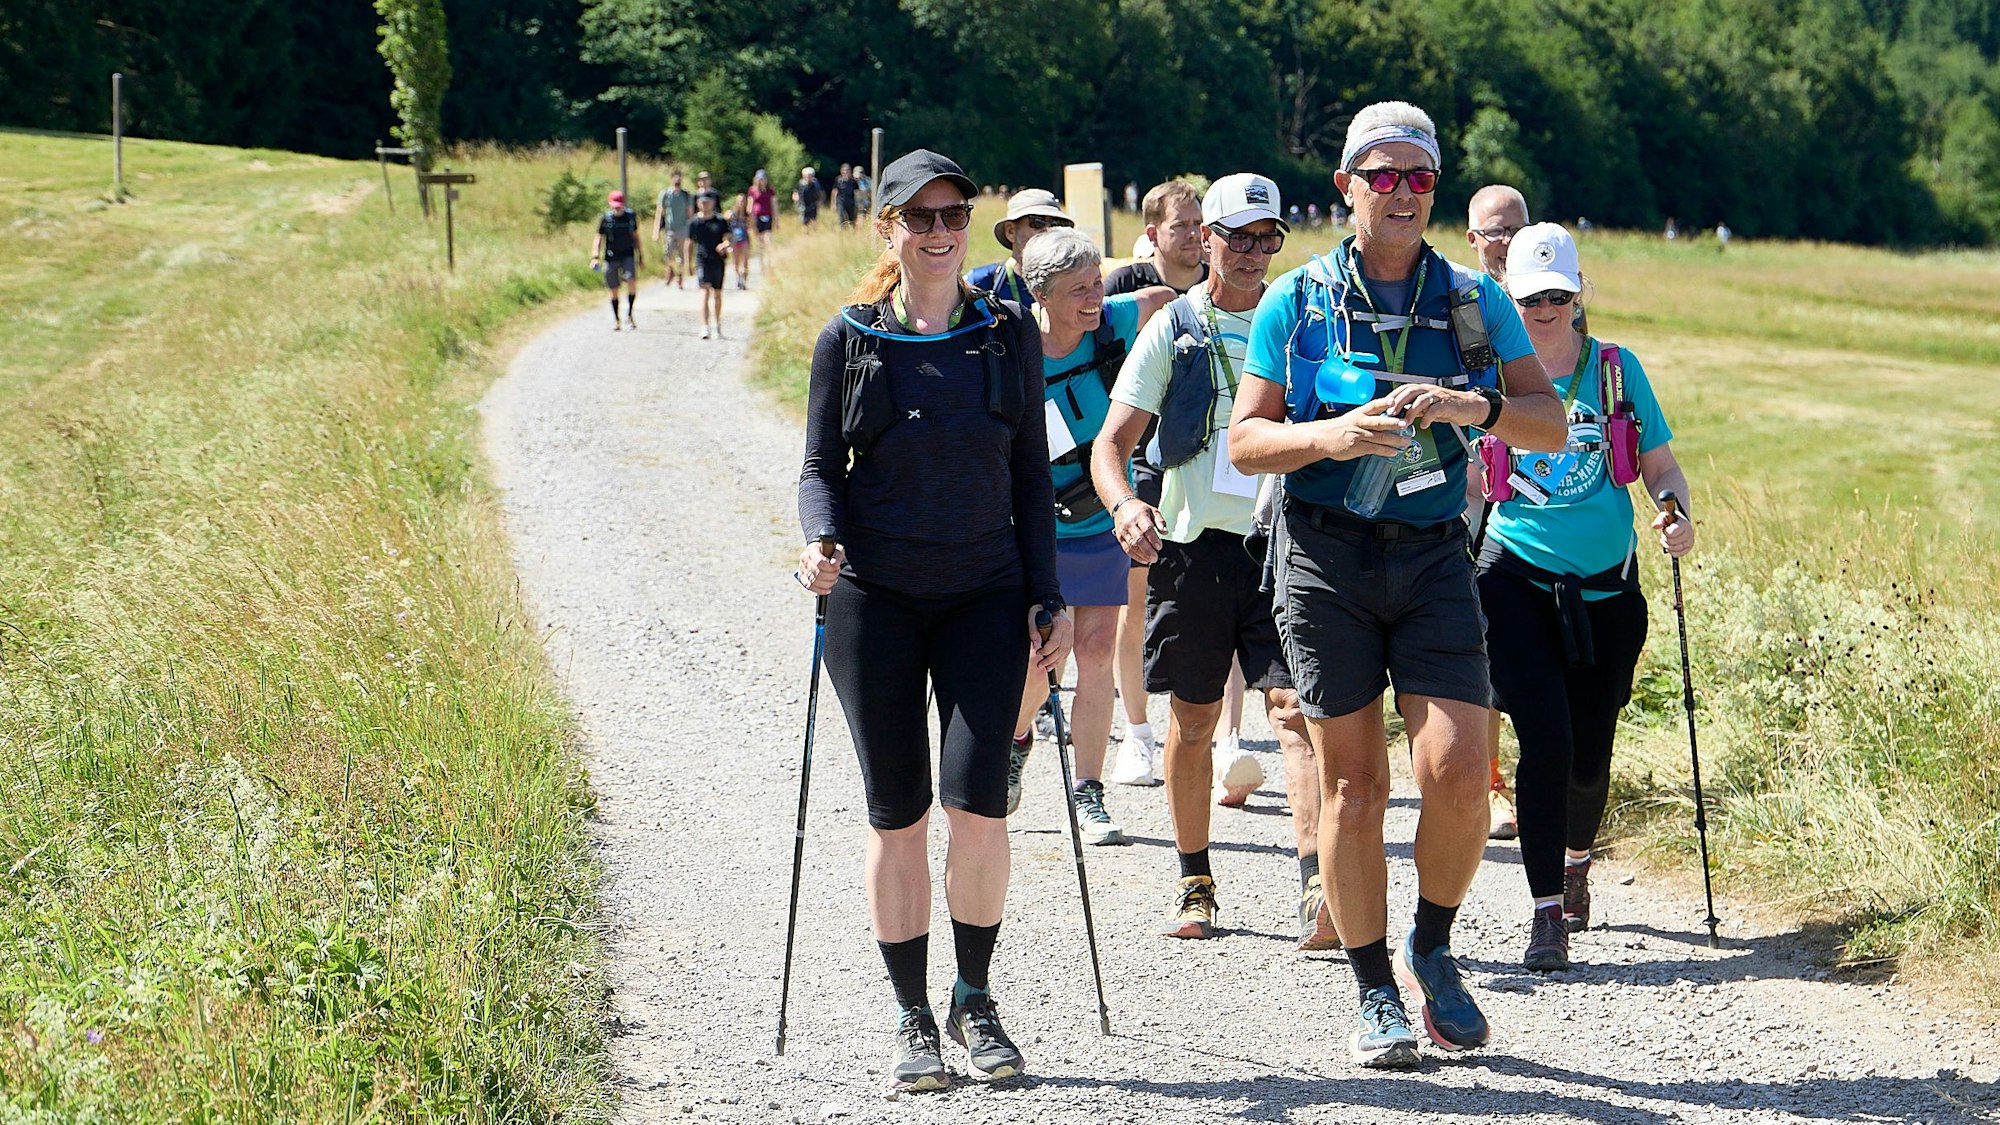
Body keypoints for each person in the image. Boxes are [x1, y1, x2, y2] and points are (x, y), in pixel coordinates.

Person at [1229, 101, 1566, 1068]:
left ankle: (1434, 944)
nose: (1406, 192)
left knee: (1459, 770)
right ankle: (1374, 983)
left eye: (1421, 177)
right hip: (1324, 554)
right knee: (1354, 784)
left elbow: (1548, 419)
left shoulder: (1472, 299)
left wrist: (1474, 404)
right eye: (1385, 176)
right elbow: (1248, 440)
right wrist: (1332, 437)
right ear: (1347, 188)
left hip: (1429, 552)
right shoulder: (1297, 300)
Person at [795, 148, 1069, 1090]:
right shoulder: (852, 339)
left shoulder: (1005, 336)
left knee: (979, 806)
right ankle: (911, 1014)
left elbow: (1031, 473)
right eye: (921, 218)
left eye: (954, 215)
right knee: (899, 814)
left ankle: (974, 996)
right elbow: (819, 468)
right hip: (875, 596)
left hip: (987, 594)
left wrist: (1049, 596)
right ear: (890, 230)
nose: (942, 232)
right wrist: (820, 541)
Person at [1092, 174, 1333, 947]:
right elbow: (1112, 444)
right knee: (1194, 722)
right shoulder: (1176, 326)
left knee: (1296, 715)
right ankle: (1195, 878)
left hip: (1284, 547)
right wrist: (1127, 506)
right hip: (1193, 551)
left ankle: (1317, 884)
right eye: (1242, 237)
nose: (1258, 252)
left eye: (1272, 239)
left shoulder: (1300, 322)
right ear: (1206, 239)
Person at [1479, 222, 1694, 971]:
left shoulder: (1614, 371)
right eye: (1530, 297)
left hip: (1608, 588)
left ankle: (1576, 862)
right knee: (1545, 741)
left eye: (1556, 296)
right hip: (1516, 581)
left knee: (1590, 756)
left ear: (1578, 296)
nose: (1543, 309)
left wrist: (1676, 512)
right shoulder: (1494, 377)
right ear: (1510, 298)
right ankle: (1545, 915)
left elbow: (1663, 467)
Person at [1004, 226, 1175, 848]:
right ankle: (1018, 740)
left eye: (1095, 284)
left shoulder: (1113, 320)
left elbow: (1162, 298)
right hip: (1036, 523)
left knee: (1098, 647)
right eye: (1077, 290)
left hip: (1104, 513)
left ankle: (1089, 791)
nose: (1093, 298)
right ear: (1040, 295)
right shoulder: (1011, 341)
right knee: (1038, 654)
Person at [1102, 180, 1209, 785]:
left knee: (1223, 580)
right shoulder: (1124, 289)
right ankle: (1136, 734)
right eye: (1181, 227)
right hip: (1146, 456)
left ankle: (1224, 735)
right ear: (1152, 234)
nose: (1194, 237)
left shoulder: (1225, 287)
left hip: (1209, 463)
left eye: (1200, 226)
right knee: (1135, 594)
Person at [1464, 182, 1533, 841]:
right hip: (1480, 487)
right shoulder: (1466, 302)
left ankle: (1535, 768)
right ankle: (1488, 782)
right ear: (1473, 240)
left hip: (1542, 489)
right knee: (1482, 641)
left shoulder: (1554, 292)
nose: (1507, 241)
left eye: (1516, 227)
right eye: (1494, 231)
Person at [967, 190, 1072, 310]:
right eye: (1037, 222)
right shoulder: (981, 282)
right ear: (1010, 231)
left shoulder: (1076, 284)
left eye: (1056, 224)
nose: (1049, 231)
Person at [1104, 181, 1209, 297]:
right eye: (1180, 225)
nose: (1194, 234)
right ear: (1152, 234)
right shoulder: (1124, 286)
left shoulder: (1223, 284)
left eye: (1197, 223)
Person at [591, 190, 643, 331]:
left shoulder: (630, 217)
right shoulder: (606, 219)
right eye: (615, 206)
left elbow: (636, 237)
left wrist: (640, 256)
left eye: (619, 206)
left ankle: (630, 314)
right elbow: (599, 238)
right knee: (613, 289)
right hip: (611, 257)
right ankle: (616, 319)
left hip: (628, 255)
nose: (617, 208)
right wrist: (595, 257)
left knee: (631, 282)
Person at [686, 192, 732, 339]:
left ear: (713, 203)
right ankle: (704, 326)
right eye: (702, 202)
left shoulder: (720, 221)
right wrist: (688, 264)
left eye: (708, 202)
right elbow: (689, 243)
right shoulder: (694, 222)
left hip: (718, 259)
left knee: (717, 294)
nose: (705, 204)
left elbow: (729, 238)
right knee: (704, 291)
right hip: (702, 259)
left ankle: (717, 325)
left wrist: (725, 245)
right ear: (698, 204)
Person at [655, 171, 693, 288]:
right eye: (675, 178)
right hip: (669, 229)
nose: (677, 181)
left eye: (679, 178)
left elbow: (690, 213)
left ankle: (680, 276)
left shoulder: (686, 195)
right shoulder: (665, 194)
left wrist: (691, 231)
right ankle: (670, 270)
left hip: (682, 228)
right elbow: (659, 212)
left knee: (681, 254)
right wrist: (656, 231)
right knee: (668, 253)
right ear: (671, 179)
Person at [748, 169, 778, 257]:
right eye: (760, 179)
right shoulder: (752, 190)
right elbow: (750, 206)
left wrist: (777, 219)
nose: (762, 181)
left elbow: (774, 205)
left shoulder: (770, 190)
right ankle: (762, 260)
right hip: (757, 216)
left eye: (763, 179)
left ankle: (769, 257)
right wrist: (751, 219)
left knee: (768, 237)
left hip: (768, 216)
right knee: (759, 239)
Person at [727, 190, 753, 289]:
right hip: (734, 240)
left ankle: (744, 282)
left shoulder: (747, 215)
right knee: (736, 262)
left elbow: (752, 226)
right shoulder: (732, 215)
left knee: (745, 261)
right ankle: (738, 278)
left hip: (745, 239)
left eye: (743, 201)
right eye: (739, 201)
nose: (741, 203)